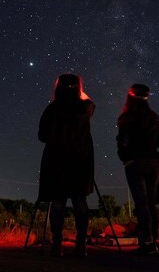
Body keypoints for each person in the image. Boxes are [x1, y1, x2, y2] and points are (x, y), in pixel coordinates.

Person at [38, 73, 95, 257]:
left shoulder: (52, 109)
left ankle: (57, 244)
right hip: (79, 162)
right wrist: (81, 93)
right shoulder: (84, 108)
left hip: (56, 162)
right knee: (80, 202)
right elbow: (90, 103)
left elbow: (41, 136)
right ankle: (81, 245)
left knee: (58, 203)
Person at [116, 83, 159, 256]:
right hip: (153, 163)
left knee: (142, 203)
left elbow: (122, 140)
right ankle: (153, 240)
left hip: (135, 163)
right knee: (151, 203)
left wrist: (124, 157)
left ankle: (146, 242)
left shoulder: (127, 117)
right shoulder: (154, 117)